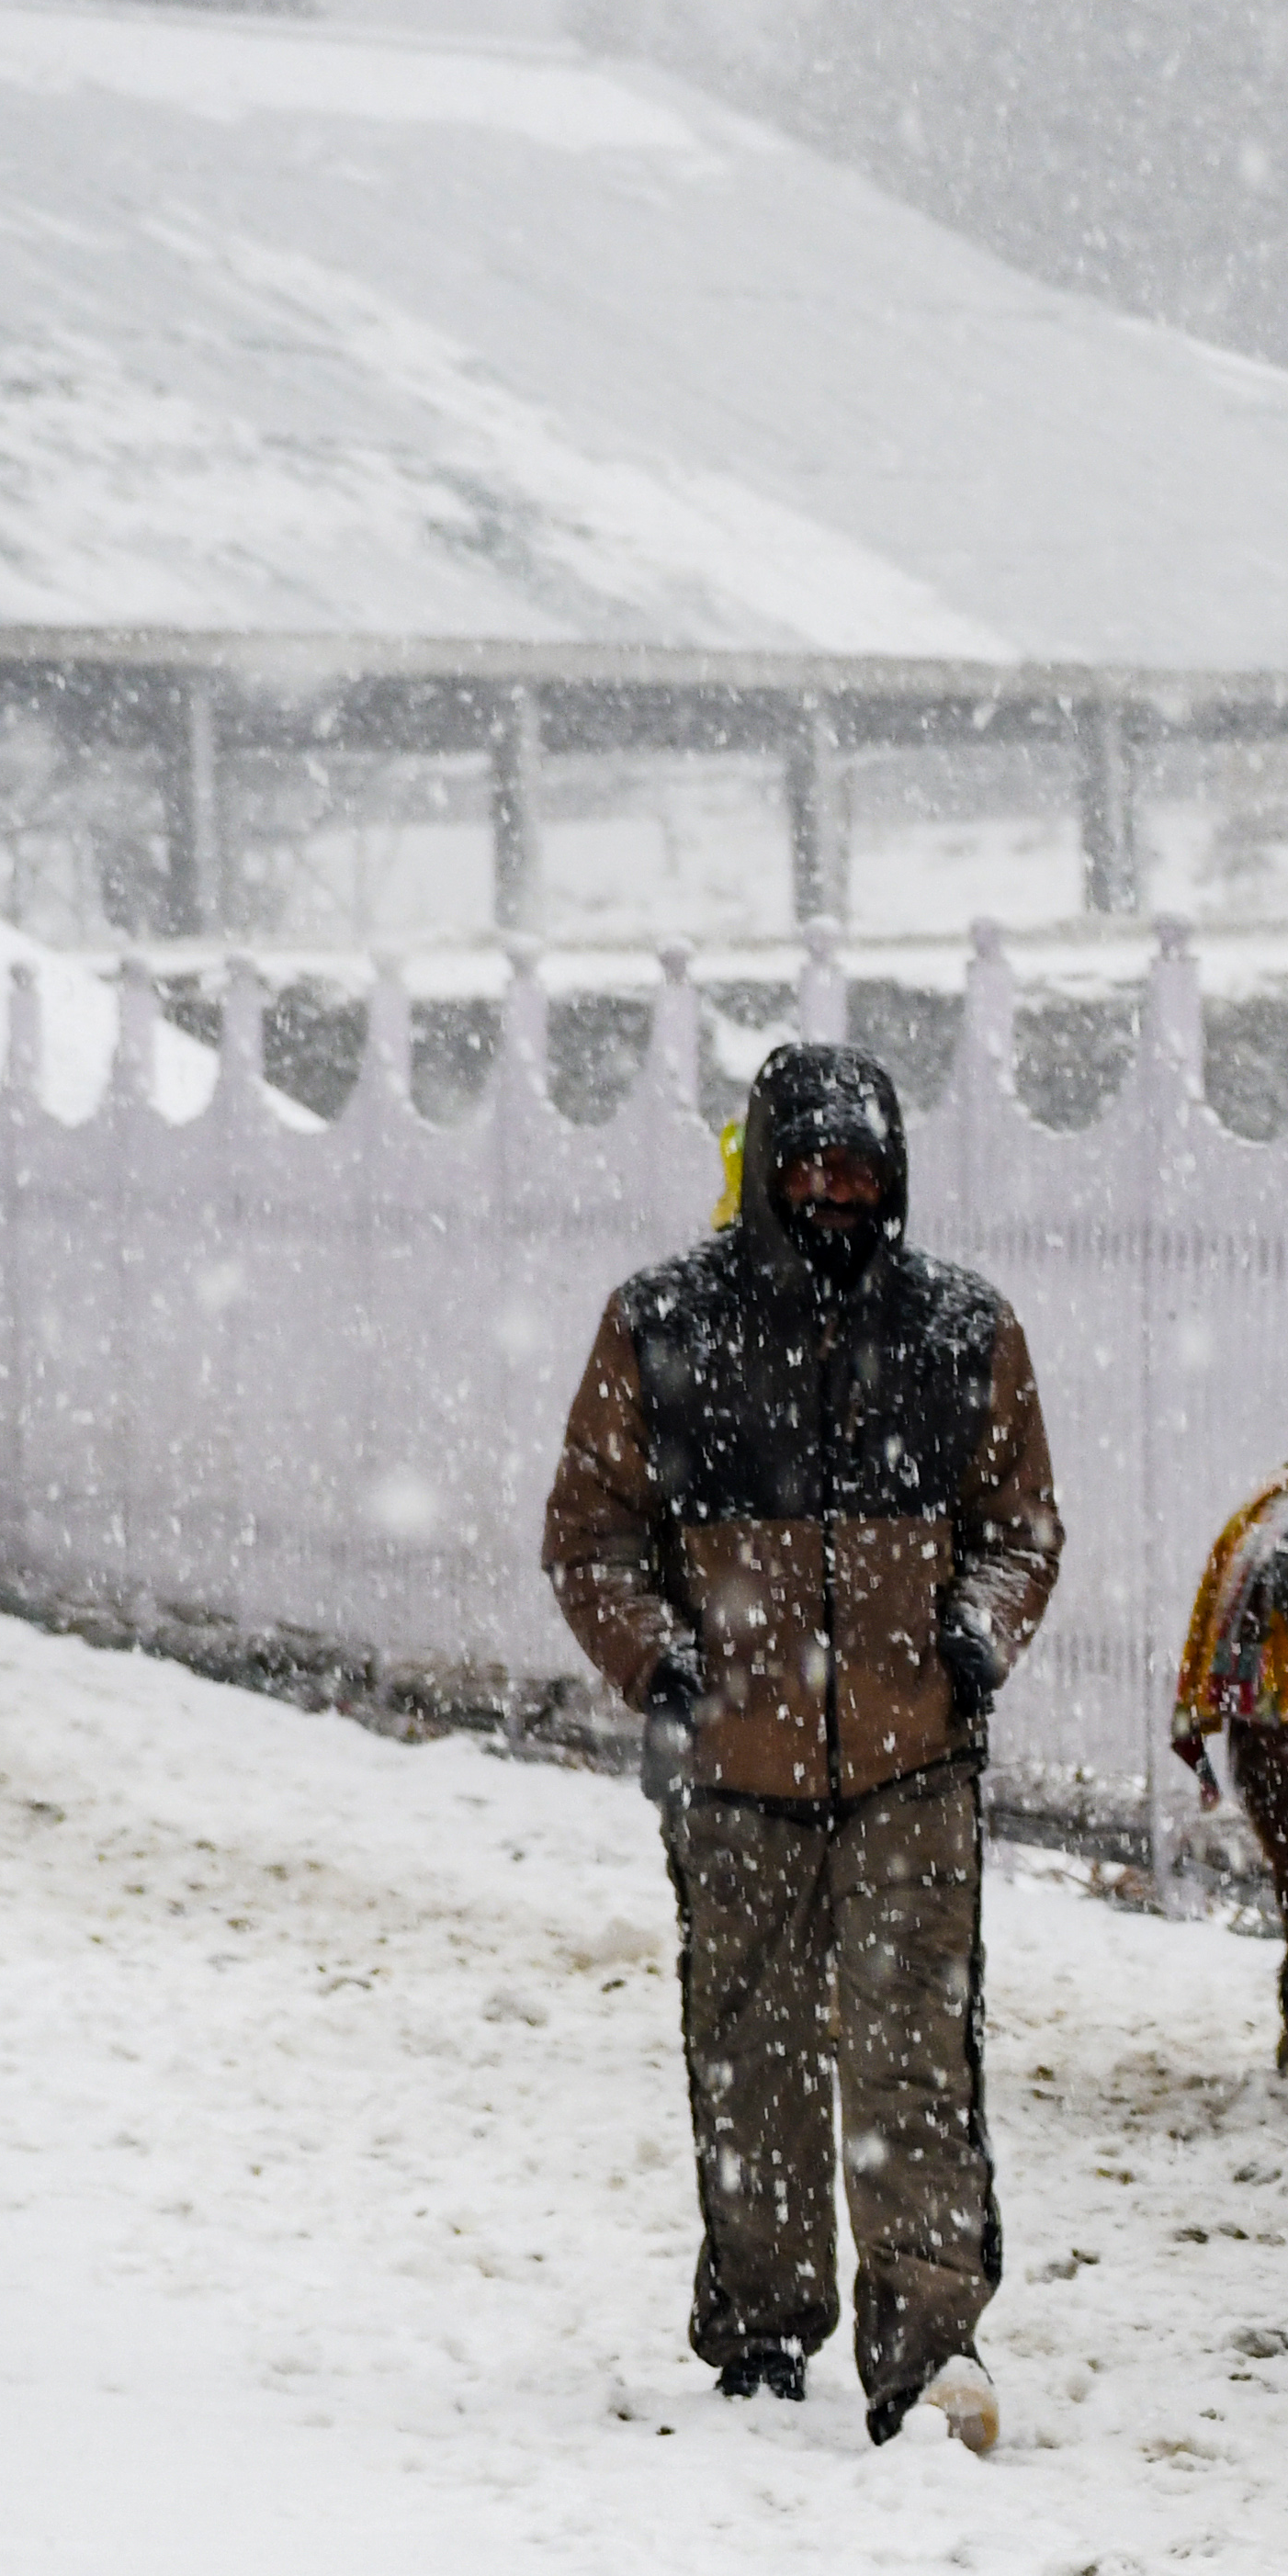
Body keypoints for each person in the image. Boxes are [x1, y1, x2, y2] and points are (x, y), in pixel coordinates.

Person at [541, 1040, 1059, 2446]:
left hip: (912, 1764)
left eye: (861, 1171)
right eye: (812, 1168)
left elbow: (1020, 1527)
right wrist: (662, 1660)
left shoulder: (964, 1331)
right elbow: (589, 1536)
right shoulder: (663, 1324)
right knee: (752, 2056)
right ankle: (765, 2331)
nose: (837, 1193)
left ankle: (931, 2352)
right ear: (767, 1175)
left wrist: (976, 1633)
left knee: (914, 2063)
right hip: (735, 1771)